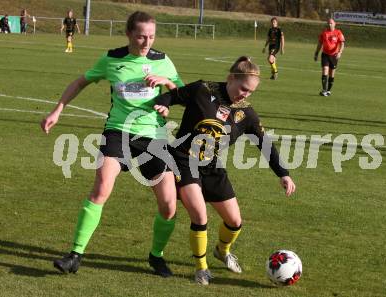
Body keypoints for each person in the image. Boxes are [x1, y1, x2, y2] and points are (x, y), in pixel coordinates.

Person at [41, 11, 184, 277]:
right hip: (118, 132)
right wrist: (57, 109)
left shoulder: (163, 61)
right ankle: (75, 254)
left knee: (168, 204)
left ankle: (156, 256)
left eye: (151, 36)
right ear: (129, 33)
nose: (146, 42)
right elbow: (80, 82)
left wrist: (167, 88)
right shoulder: (111, 59)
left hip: (153, 137)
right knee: (101, 188)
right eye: (141, 36)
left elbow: (183, 94)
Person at [153, 56, 296, 285]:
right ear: (231, 78)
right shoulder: (202, 89)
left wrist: (283, 173)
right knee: (200, 216)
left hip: (211, 166)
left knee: (234, 221)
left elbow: (264, 144)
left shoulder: (246, 113)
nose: (245, 95)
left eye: (250, 92)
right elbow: (173, 95)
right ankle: (201, 268)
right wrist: (163, 103)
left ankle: (222, 250)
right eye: (243, 89)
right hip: (182, 159)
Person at [314, 18, 345, 96]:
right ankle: (324, 90)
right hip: (325, 54)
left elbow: (342, 43)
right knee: (325, 69)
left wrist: (340, 52)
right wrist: (316, 53)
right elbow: (319, 44)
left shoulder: (338, 32)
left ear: (335, 24)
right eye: (328, 23)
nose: (329, 24)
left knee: (332, 74)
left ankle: (328, 90)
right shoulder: (324, 33)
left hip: (334, 56)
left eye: (331, 23)